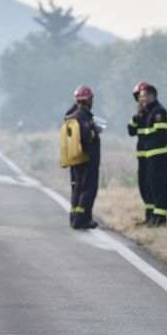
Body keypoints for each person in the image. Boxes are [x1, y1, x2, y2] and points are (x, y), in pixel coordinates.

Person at [66, 85, 101, 229]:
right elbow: (87, 136)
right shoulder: (83, 116)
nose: (92, 102)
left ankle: (75, 216)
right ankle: (81, 219)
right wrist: (95, 130)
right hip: (87, 159)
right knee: (88, 188)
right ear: (87, 100)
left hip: (77, 159)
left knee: (78, 188)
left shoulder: (73, 116)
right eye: (91, 99)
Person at [138, 84, 167, 227]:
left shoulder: (159, 112)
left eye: (144, 95)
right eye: (140, 96)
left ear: (152, 95)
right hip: (150, 157)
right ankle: (152, 218)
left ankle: (160, 220)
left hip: (159, 156)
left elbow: (164, 135)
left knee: (159, 188)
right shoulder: (149, 112)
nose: (142, 99)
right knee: (151, 188)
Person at [128, 81, 153, 225]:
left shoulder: (154, 112)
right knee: (143, 186)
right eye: (138, 97)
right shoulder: (140, 114)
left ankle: (153, 219)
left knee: (152, 187)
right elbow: (131, 131)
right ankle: (148, 217)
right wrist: (136, 115)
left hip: (153, 157)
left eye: (141, 96)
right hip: (142, 156)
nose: (140, 100)